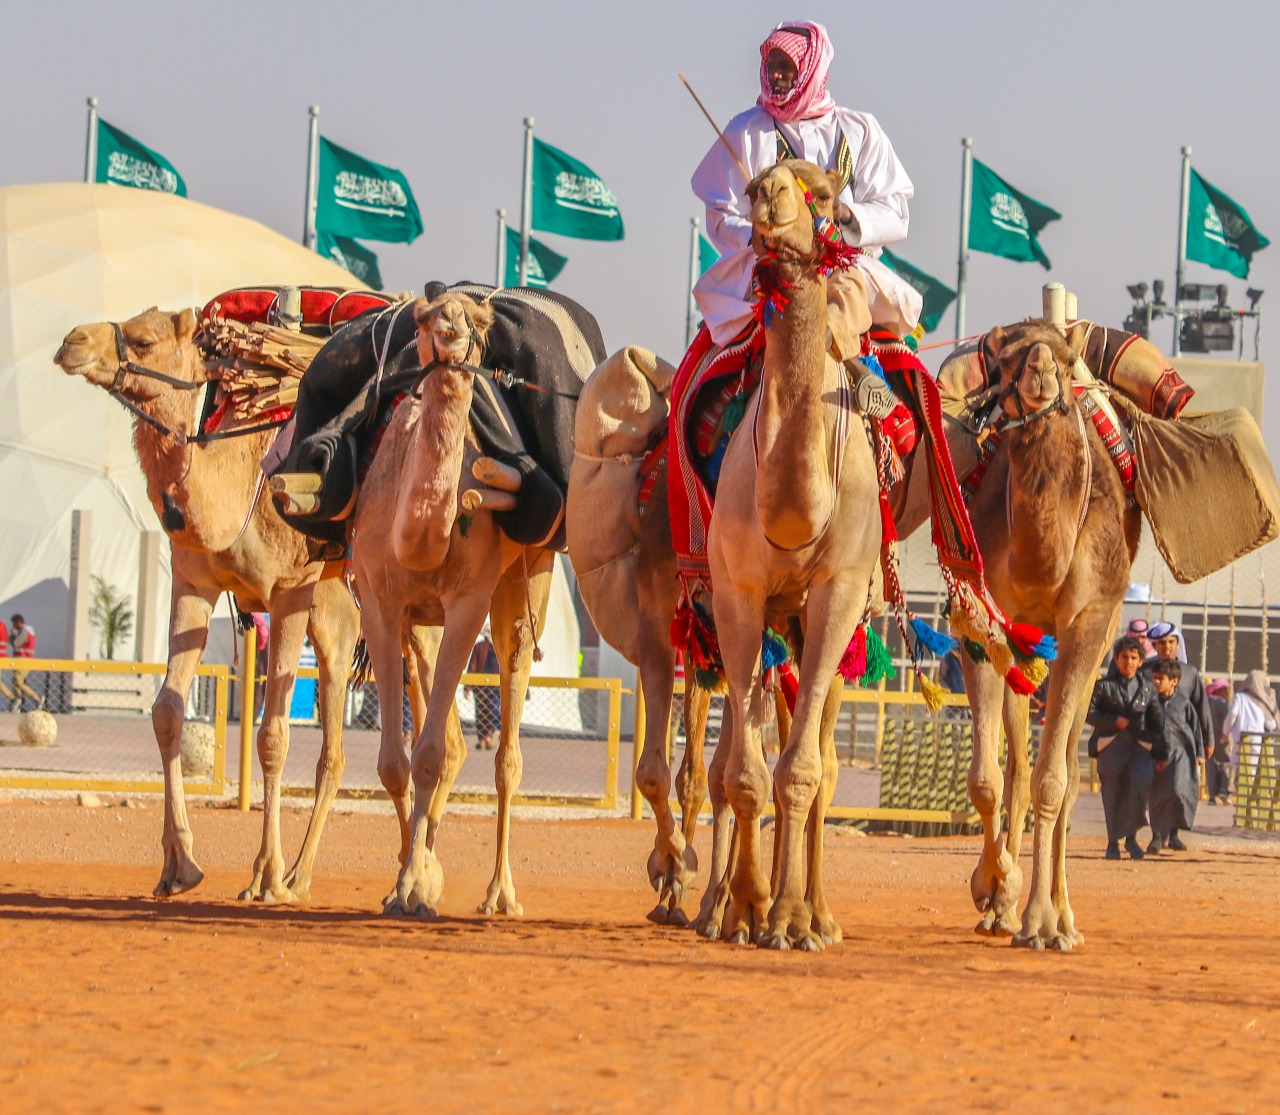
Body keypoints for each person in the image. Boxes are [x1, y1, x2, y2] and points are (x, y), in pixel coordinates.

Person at [691, 20, 922, 362]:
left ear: (812, 70)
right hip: (766, 267)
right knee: (706, 370)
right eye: (771, 67)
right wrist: (757, 238)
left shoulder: (859, 130)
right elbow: (721, 213)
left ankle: (842, 362)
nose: (776, 76)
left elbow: (895, 210)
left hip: (846, 265)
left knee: (860, 308)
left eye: (786, 68)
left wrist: (846, 216)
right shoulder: (745, 131)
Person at [1087, 635, 1161, 861]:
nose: (1128, 662)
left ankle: (1131, 838)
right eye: (1124, 657)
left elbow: (1158, 720)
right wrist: (1113, 721)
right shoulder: (1103, 686)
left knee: (1139, 789)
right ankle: (1113, 843)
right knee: (1113, 794)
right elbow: (1090, 714)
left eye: (1133, 657)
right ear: (1117, 660)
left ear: (1141, 661)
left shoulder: (1148, 689)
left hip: (1140, 749)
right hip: (1111, 746)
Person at [1142, 622, 1214, 770]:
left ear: (1177, 643)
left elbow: (1201, 708)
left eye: (1171, 642)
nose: (1167, 646)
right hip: (1149, 743)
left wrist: (1208, 740)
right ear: (1154, 646)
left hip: (1183, 741)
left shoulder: (1189, 673)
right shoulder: (1143, 672)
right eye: (1162, 642)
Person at [1147, 659, 1202, 853]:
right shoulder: (1150, 702)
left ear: (1174, 681)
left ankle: (1174, 835)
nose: (1156, 682)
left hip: (1181, 756)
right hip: (1156, 756)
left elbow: (1195, 730)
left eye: (1160, 679)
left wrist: (1200, 753)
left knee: (1178, 792)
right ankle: (1156, 837)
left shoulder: (1184, 703)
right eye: (1154, 678)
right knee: (1157, 796)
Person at [1222, 669, 1278, 806]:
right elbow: (1271, 723)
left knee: (1239, 771)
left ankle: (1242, 805)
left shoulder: (1240, 698)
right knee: (1251, 772)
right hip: (1256, 742)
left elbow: (1232, 716)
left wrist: (1225, 733)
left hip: (1240, 740)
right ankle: (1249, 804)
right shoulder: (1263, 702)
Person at [466, 630, 501, 751]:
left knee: (486, 712)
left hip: (491, 686)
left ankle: (487, 737)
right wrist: (468, 686)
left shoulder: (499, 646)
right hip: (485, 686)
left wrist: (468, 686)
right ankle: (485, 737)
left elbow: (472, 666)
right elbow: (473, 665)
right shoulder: (482, 647)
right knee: (486, 712)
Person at [1205, 679, 1232, 805]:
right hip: (1221, 739)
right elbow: (1228, 722)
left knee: (1211, 767)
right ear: (1219, 690)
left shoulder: (1208, 703)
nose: (1227, 692)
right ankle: (1223, 790)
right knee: (1226, 764)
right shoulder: (1221, 705)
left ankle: (1211, 796)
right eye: (1225, 689)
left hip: (1208, 739)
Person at [8, 614, 41, 712]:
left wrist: (13, 634)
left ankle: (36, 698)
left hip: (23, 660)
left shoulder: (24, 632)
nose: (13, 626)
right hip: (19, 660)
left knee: (18, 682)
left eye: (14, 623)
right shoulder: (24, 632)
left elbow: (15, 644)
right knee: (15, 683)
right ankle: (17, 703)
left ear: (19, 622)